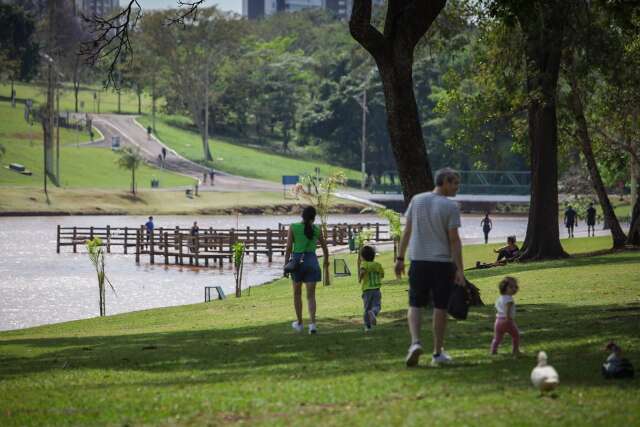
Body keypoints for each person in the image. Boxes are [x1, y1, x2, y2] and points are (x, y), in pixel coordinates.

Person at [395, 168, 465, 367]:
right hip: (442, 263)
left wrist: (400, 258)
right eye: (454, 183)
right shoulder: (451, 207)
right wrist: (459, 269)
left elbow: (407, 231)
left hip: (418, 261)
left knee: (415, 304)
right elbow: (454, 241)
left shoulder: (417, 200)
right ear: (444, 182)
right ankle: (437, 353)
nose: (457, 188)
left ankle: (415, 342)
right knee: (440, 307)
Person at [284, 206, 330, 335]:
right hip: (312, 262)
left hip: (297, 263)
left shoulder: (293, 227)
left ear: (302, 215)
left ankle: (299, 323)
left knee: (297, 294)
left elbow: (288, 248)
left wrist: (286, 264)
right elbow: (325, 248)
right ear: (314, 218)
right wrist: (326, 261)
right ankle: (313, 325)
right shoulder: (316, 229)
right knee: (311, 296)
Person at [490, 276, 521, 356]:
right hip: (507, 320)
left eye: (515, 287)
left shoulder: (500, 298)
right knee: (516, 336)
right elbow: (508, 309)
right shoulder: (509, 299)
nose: (514, 289)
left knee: (497, 338)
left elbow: (497, 307)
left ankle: (493, 350)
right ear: (504, 288)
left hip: (498, 321)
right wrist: (508, 318)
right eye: (511, 287)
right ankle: (515, 350)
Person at [359, 245, 384, 332]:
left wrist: (360, 278)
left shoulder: (364, 264)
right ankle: (373, 312)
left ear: (362, 257)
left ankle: (367, 326)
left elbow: (362, 271)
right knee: (377, 305)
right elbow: (382, 275)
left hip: (367, 290)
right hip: (376, 289)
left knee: (367, 308)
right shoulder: (377, 265)